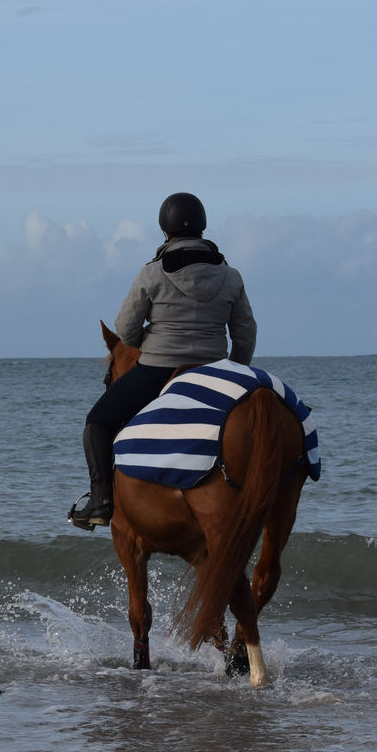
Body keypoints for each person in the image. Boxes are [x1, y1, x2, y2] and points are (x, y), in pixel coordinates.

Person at [68, 192, 256, 530]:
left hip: (157, 371)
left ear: (165, 233)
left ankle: (100, 501)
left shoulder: (152, 273)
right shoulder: (231, 277)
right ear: (202, 229)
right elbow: (245, 334)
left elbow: (125, 329)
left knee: (96, 422)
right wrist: (233, 373)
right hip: (214, 374)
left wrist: (153, 346)